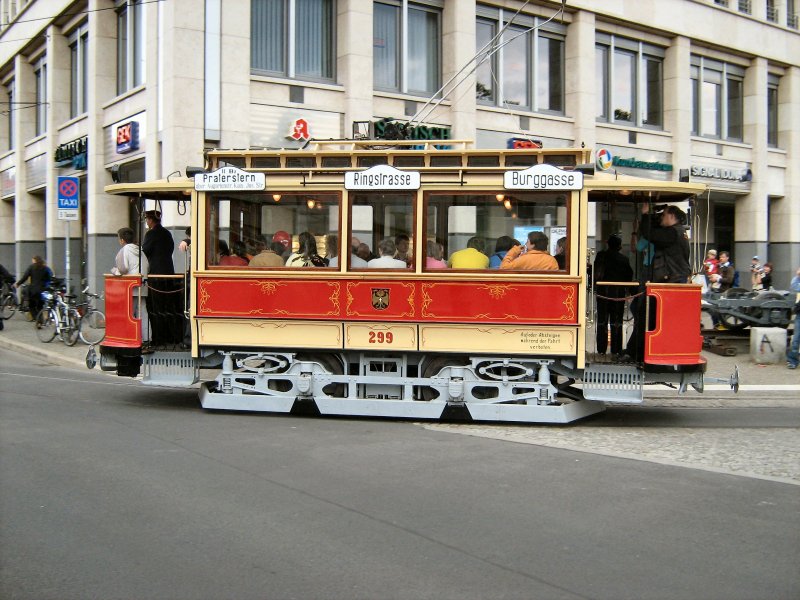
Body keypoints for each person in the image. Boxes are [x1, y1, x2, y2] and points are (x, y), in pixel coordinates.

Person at [593, 235, 633, 356]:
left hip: (603, 293)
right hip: (617, 294)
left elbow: (595, 272)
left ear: (607, 243)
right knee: (617, 322)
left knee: (602, 321)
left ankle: (601, 349)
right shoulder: (624, 259)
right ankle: (616, 350)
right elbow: (628, 276)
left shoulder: (600, 256)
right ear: (620, 246)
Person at [111, 227, 150, 342]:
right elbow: (147, 265)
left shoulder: (125, 250)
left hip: (130, 287)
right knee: (143, 312)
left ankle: (131, 337)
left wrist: (114, 271)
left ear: (122, 240)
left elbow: (123, 269)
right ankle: (146, 337)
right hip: (142, 285)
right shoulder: (141, 250)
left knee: (130, 313)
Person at [638, 204, 690, 284]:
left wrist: (645, 214)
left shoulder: (672, 232)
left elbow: (649, 234)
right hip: (678, 275)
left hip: (674, 278)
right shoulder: (679, 230)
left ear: (671, 216)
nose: (661, 218)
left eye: (663, 215)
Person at [142, 210, 174, 275]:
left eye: (147, 220)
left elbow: (145, 250)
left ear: (151, 220)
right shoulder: (167, 233)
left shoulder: (151, 233)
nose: (147, 222)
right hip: (168, 269)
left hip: (156, 270)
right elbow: (171, 248)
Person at [787, 267, 800, 370]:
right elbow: (794, 287)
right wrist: (798, 276)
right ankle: (792, 361)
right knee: (796, 339)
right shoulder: (797, 280)